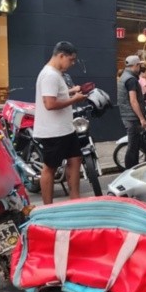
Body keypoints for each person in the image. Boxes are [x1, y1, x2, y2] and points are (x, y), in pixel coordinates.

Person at [33, 41, 89, 204]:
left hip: (66, 129)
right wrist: (74, 99)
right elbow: (49, 104)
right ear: (61, 56)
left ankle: (75, 200)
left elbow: (56, 94)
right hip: (53, 131)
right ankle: (48, 207)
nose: (72, 64)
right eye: (71, 60)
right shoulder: (50, 75)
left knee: (75, 159)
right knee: (50, 167)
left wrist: (71, 91)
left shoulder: (55, 74)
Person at [117, 55, 146, 169]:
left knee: (134, 145)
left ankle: (133, 169)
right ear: (136, 65)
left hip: (127, 115)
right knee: (133, 147)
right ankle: (130, 170)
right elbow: (133, 101)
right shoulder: (131, 80)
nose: (140, 68)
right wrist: (142, 118)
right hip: (132, 118)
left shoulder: (124, 76)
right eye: (139, 65)